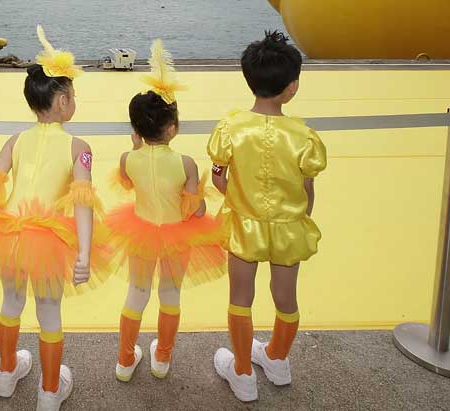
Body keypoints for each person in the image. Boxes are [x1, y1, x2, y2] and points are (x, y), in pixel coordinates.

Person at [0, 26, 109, 411]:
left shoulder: (15, 139)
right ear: (61, 101)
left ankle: (6, 374)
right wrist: (84, 253)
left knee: (11, 301)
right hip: (49, 241)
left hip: (8, 233)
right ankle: (49, 391)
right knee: (49, 311)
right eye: (73, 95)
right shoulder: (79, 148)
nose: (75, 101)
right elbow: (83, 202)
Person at [208, 31, 327, 402]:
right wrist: (299, 214)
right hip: (289, 227)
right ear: (292, 87)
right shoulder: (304, 136)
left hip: (244, 226)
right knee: (286, 298)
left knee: (240, 298)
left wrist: (238, 200)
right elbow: (307, 188)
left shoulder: (230, 128)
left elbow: (217, 174)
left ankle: (242, 371)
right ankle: (276, 358)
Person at [107, 40, 226, 384]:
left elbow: (129, 183)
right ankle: (162, 357)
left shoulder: (128, 159)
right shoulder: (186, 163)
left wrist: (135, 149)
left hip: (141, 229)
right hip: (177, 235)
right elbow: (196, 208)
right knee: (170, 294)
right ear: (172, 127)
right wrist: (200, 202)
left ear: (137, 130)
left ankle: (125, 359)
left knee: (136, 293)